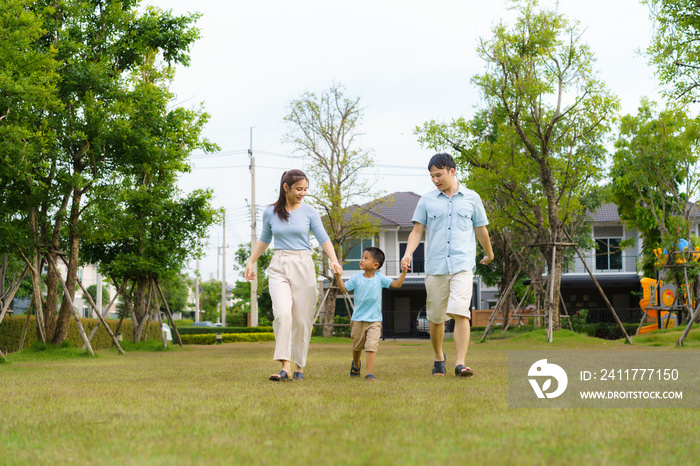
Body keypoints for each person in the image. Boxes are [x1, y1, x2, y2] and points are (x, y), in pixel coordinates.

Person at [401, 153, 494, 377]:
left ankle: (460, 363)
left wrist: (489, 254)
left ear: (452, 171)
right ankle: (438, 357)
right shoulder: (427, 200)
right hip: (435, 267)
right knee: (436, 317)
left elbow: (481, 229)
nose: (435, 180)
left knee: (462, 312)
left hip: (462, 265)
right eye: (432, 176)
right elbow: (416, 231)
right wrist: (407, 254)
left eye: (439, 175)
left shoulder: (472, 198)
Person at [245, 169, 343, 382]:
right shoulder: (270, 212)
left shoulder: (310, 212)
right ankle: (285, 365)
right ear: (286, 187)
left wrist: (334, 260)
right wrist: (250, 260)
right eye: (299, 189)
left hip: (303, 263)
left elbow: (323, 238)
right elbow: (264, 239)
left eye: (305, 189)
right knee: (282, 313)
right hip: (279, 263)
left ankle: (299, 366)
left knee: (301, 318)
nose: (303, 193)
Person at [335, 247, 407, 381]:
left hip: (374, 320)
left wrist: (403, 273)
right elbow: (343, 289)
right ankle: (356, 364)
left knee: (371, 347)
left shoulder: (380, 278)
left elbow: (397, 284)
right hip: (358, 320)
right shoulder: (357, 277)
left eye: (365, 258)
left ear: (375, 265)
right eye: (362, 257)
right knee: (357, 347)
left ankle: (369, 373)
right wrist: (338, 276)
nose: (361, 260)